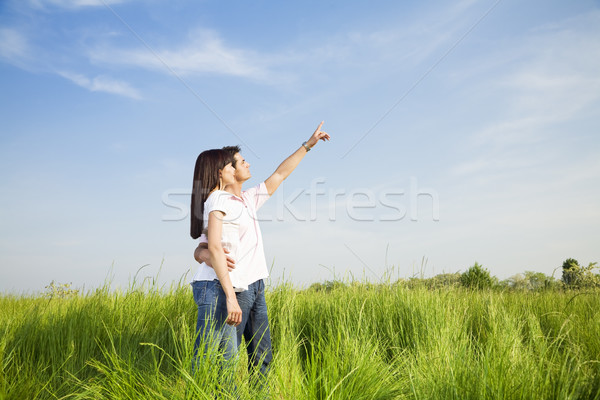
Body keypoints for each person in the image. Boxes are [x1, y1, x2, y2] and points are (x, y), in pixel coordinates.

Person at [194, 121, 331, 381]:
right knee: (227, 361)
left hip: (257, 286)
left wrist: (307, 146)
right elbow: (204, 246)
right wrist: (205, 255)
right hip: (236, 288)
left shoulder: (247, 199)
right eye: (241, 161)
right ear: (226, 171)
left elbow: (280, 174)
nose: (247, 164)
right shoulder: (218, 201)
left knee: (262, 356)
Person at [189, 149, 243, 367]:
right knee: (205, 358)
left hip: (214, 285)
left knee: (227, 361)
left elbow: (204, 248)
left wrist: (204, 254)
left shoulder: (213, 199)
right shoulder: (218, 198)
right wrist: (231, 297)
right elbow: (213, 246)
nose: (234, 169)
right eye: (230, 166)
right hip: (214, 287)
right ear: (219, 172)